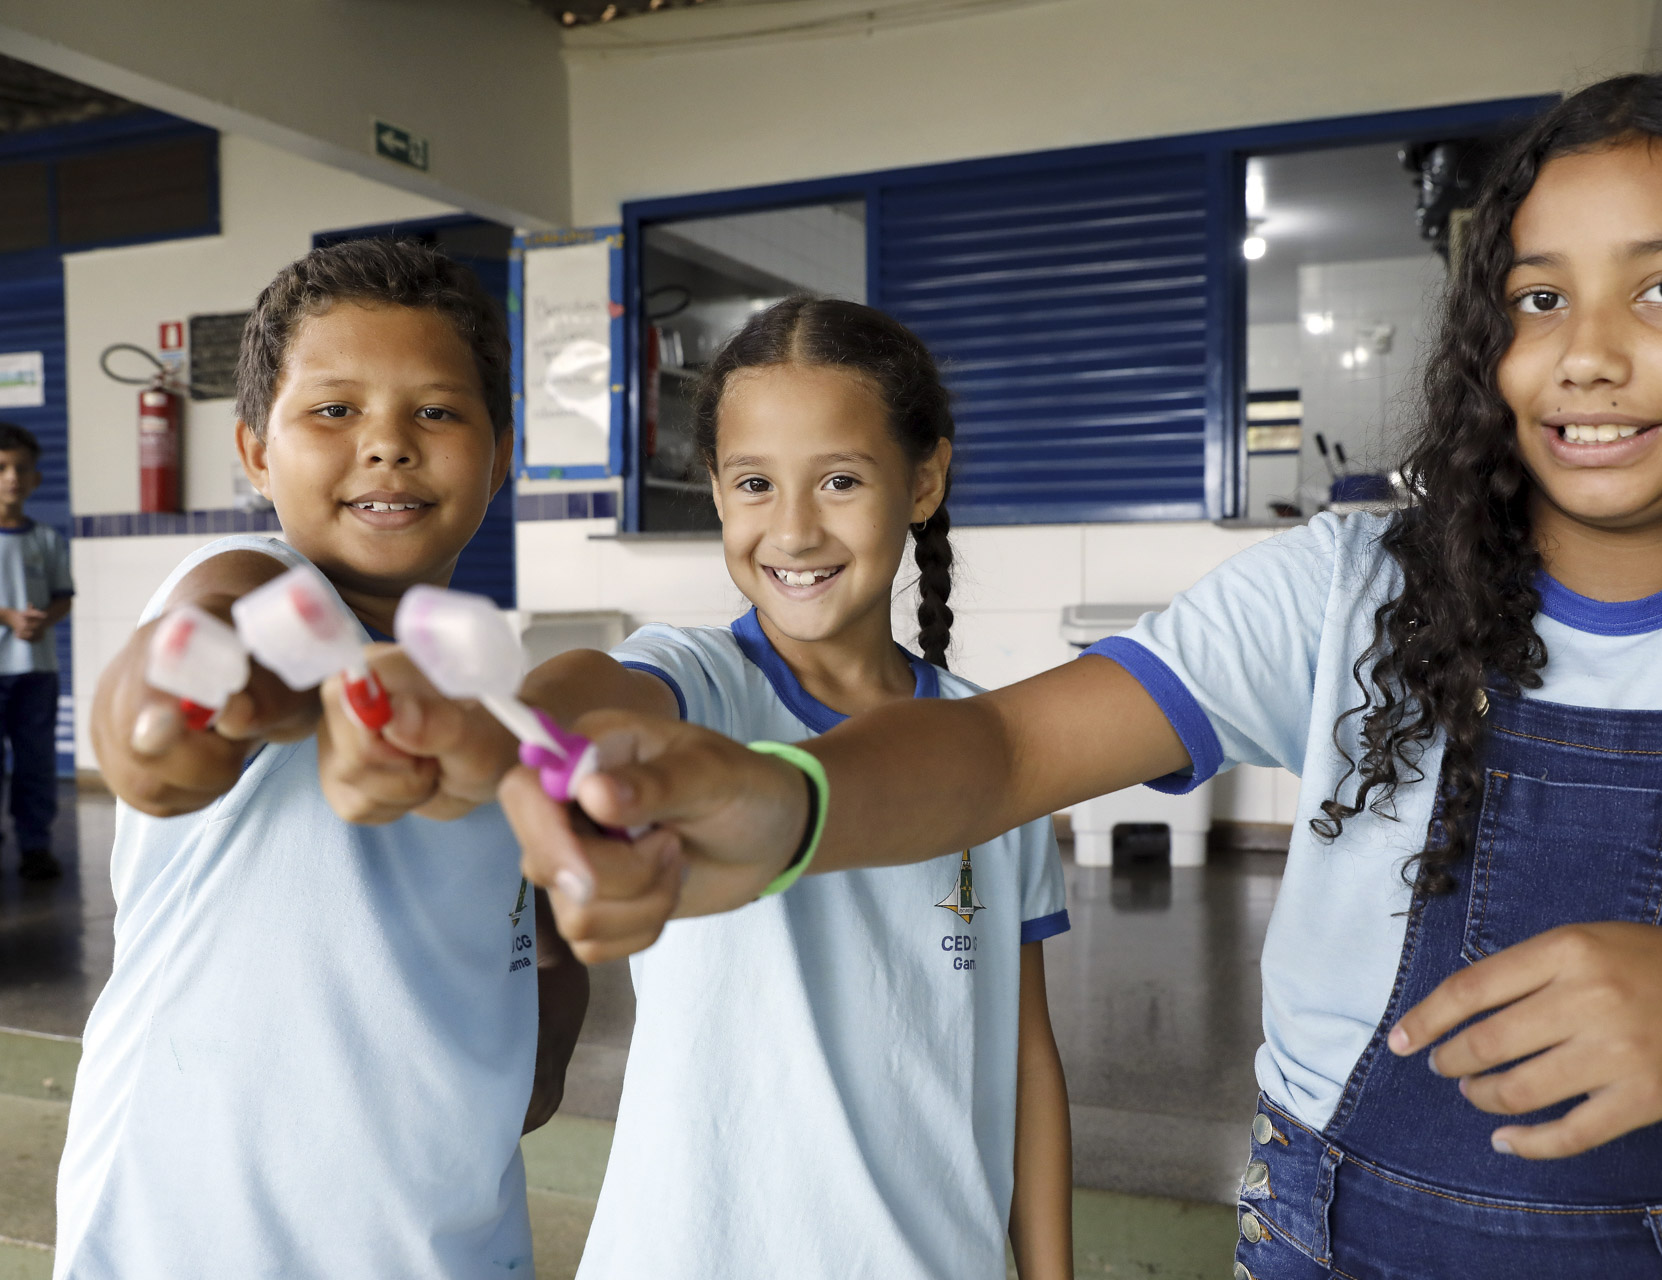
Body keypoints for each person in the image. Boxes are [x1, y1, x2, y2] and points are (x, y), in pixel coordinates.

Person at [500, 72, 1662, 1276]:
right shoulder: (1350, 591)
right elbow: (997, 756)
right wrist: (783, 801)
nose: (1588, 355)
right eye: (1539, 297)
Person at [326, 296, 1075, 1279]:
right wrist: (493, 723)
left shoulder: (992, 748)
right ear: (718, 493)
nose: (795, 528)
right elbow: (591, 693)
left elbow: (1024, 1060)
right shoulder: (699, 680)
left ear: (924, 479)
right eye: (756, 482)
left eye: (841, 479)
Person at [58, 240, 587, 1278]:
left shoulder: (490, 679)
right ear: (255, 452)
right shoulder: (251, 581)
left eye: (435, 411)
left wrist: (545, 1028)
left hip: (446, 1235)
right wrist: (169, 711)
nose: (386, 445)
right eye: (333, 411)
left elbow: (533, 915)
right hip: (193, 1236)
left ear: (502, 448)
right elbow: (183, 694)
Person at [0, 421, 71, 880]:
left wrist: (45, 619)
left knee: (35, 762)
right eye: (3, 467)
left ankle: (35, 845)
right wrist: (7, 617)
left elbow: (63, 596)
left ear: (36, 478)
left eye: (21, 468)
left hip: (37, 673)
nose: (12, 477)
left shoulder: (47, 540)